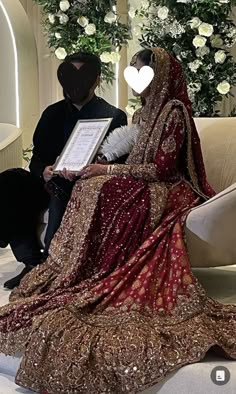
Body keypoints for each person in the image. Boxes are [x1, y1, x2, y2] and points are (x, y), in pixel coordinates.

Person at [0, 47, 235, 393]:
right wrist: (51, 170)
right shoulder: (140, 113)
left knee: (97, 188)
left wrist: (104, 168)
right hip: (61, 177)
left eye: (143, 73)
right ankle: (57, 265)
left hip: (167, 187)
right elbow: (51, 156)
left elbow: (162, 169)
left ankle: (82, 267)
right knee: (58, 184)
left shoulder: (170, 112)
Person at [2, 51, 127, 290]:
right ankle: (31, 262)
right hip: (48, 181)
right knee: (9, 181)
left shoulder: (113, 116)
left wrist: (89, 169)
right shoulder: (52, 113)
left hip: (83, 185)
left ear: (97, 79)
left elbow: (117, 162)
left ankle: (52, 263)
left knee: (64, 186)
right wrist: (45, 171)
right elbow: (36, 159)